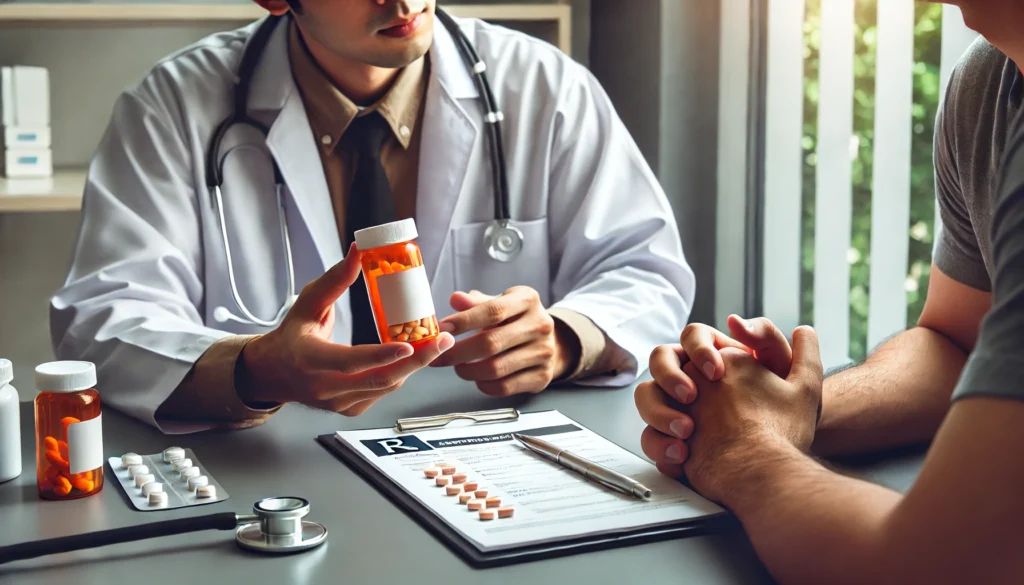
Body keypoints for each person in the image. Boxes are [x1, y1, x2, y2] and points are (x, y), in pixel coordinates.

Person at [50, 0, 693, 433]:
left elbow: (645, 268)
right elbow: (101, 319)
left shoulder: (546, 87)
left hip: (486, 456)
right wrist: (252, 368)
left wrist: (565, 337)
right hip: (273, 473)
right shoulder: (172, 107)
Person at [634, 1, 1024, 582]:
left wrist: (740, 448)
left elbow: (941, 566)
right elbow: (956, 345)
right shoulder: (990, 81)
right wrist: (789, 401)